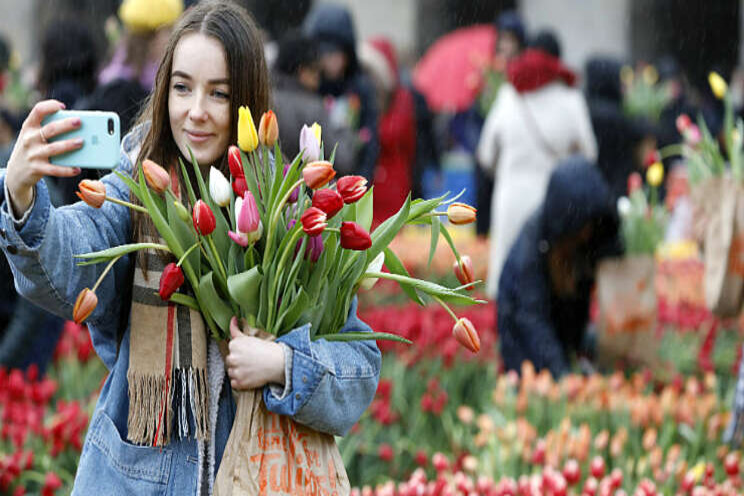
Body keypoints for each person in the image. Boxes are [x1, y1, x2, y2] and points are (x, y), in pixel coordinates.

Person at [0, 2, 380, 494]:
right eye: (181, 88)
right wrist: (22, 197)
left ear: (245, 98)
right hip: (136, 478)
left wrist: (283, 364)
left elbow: (360, 367)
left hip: (253, 475)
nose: (195, 111)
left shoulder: (289, 213)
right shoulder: (140, 191)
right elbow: (72, 259)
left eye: (218, 94)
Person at [476, 30, 597, 298]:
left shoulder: (509, 95)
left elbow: (485, 154)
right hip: (555, 202)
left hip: (511, 199)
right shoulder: (570, 100)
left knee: (508, 284)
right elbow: (590, 156)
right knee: (550, 284)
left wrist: (508, 168)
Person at [498, 158, 621, 378]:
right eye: (581, 226)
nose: (586, 233)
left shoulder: (586, 237)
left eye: (590, 226)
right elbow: (532, 320)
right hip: (524, 346)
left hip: (567, 336)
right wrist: (563, 377)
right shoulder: (530, 253)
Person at [359, 37, 441, 225]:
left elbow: (413, 145)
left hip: (396, 185)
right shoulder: (363, 99)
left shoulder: (405, 100)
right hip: (369, 186)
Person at [303, 3, 379, 182]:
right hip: (316, 183)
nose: (331, 61)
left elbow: (370, 141)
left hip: (350, 183)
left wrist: (361, 183)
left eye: (337, 53)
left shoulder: (361, 89)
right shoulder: (311, 88)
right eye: (326, 54)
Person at [83, 0, 183, 135]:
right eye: (170, 30)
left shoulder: (115, 77)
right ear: (156, 36)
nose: (174, 38)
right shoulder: (121, 93)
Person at [271, 31, 355, 172]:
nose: (319, 79)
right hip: (306, 191)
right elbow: (343, 160)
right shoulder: (313, 108)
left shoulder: (267, 98)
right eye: (316, 71)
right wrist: (344, 128)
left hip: (271, 192)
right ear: (302, 71)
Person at [585, 56, 657, 201]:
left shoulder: (584, 109)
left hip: (590, 191)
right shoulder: (615, 118)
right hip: (615, 192)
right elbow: (648, 131)